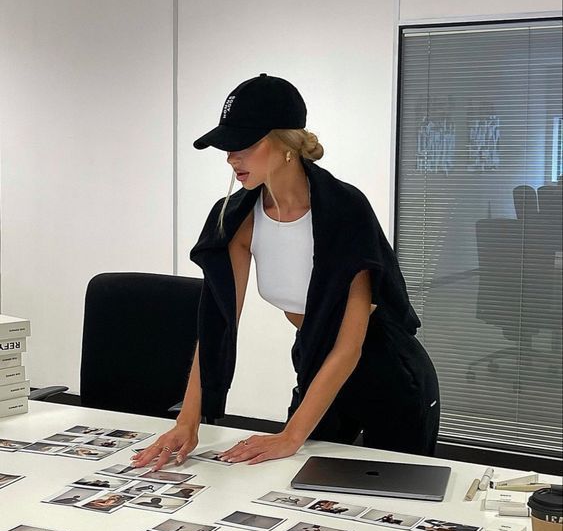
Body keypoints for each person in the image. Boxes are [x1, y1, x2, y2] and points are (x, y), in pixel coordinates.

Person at [132, 73, 440, 472]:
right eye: (228, 146)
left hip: (388, 371)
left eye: (245, 144)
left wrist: (292, 435)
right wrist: (187, 421)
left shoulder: (343, 211)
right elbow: (216, 327)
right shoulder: (237, 218)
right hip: (314, 360)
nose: (231, 157)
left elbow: (349, 346)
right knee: (295, 484)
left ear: (286, 145)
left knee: (396, 502)